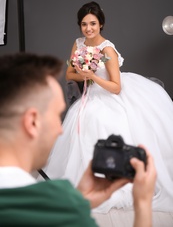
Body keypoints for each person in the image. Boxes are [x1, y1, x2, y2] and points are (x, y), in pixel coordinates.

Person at [41, 1, 173, 214]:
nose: (88, 29)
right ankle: (83, 178)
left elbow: (116, 87)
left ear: (101, 24)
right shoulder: (78, 44)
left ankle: (110, 179)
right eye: (84, 24)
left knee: (100, 120)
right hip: (91, 93)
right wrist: (83, 75)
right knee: (81, 121)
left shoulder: (107, 48)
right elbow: (69, 74)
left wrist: (92, 76)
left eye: (93, 23)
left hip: (111, 93)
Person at [0, 52, 156, 227]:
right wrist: (143, 204)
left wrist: (78, 200)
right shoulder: (60, 215)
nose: (61, 129)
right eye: (57, 115)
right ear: (32, 122)